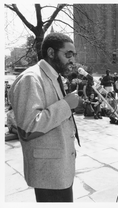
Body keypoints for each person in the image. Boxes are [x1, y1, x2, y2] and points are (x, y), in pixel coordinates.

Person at [8, 32, 80, 202]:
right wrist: (66, 105)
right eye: (68, 54)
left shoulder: (53, 76)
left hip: (59, 168)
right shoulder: (31, 78)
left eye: (73, 55)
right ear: (51, 53)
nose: (72, 59)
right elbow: (28, 127)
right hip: (48, 173)